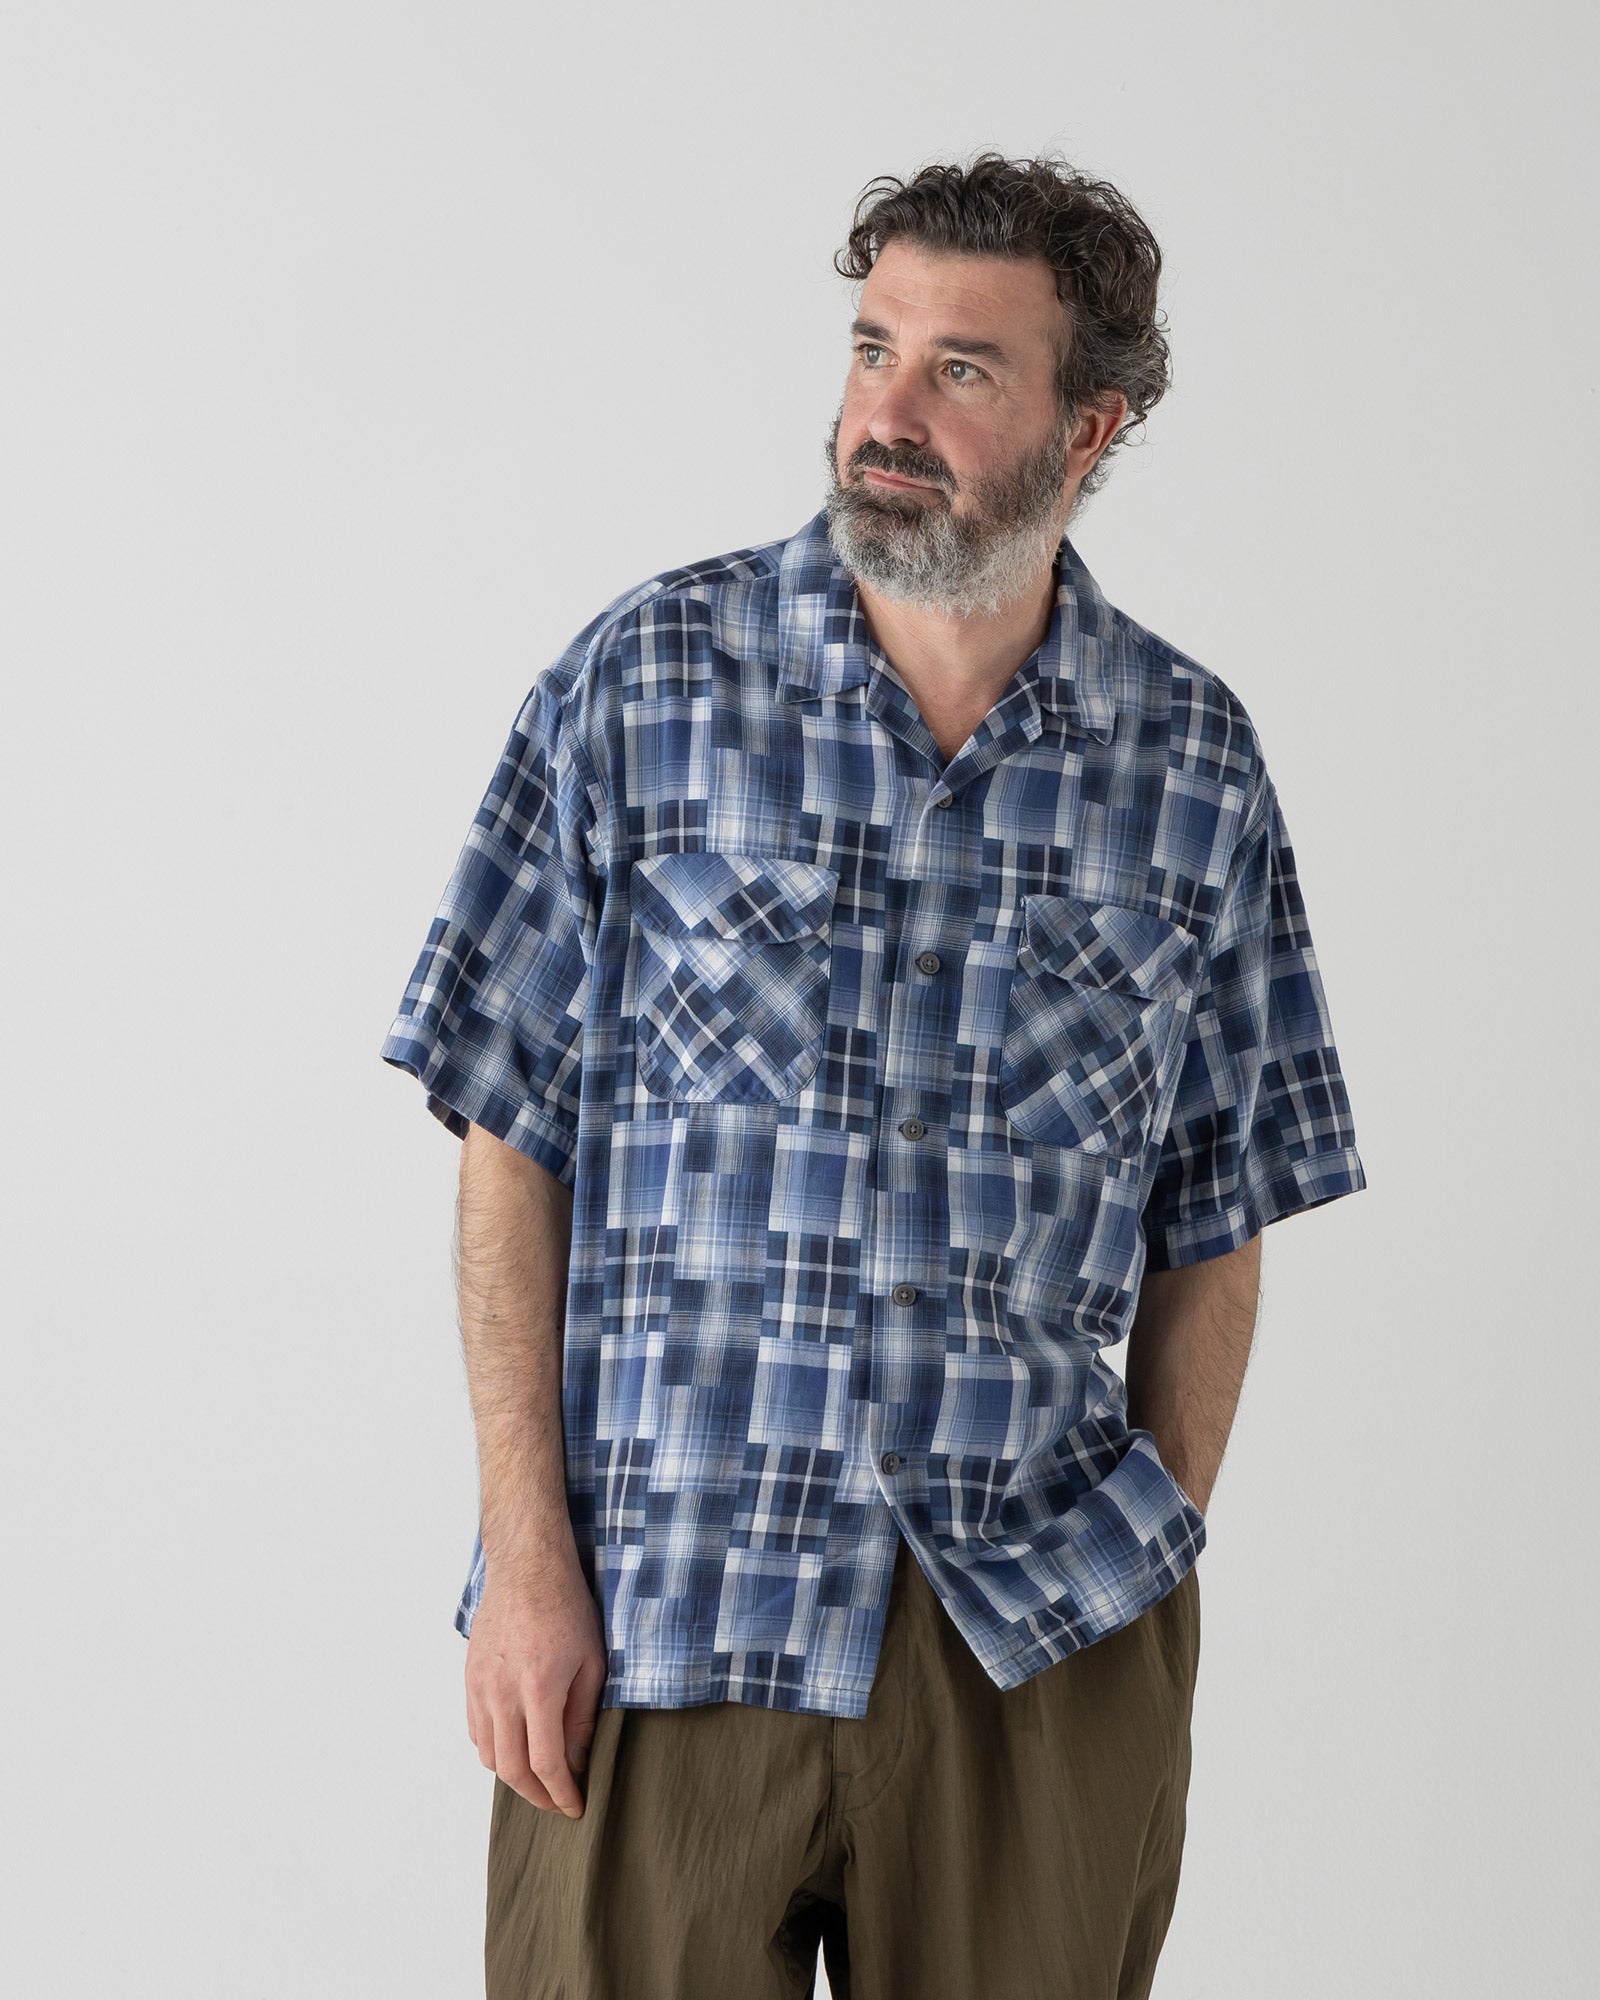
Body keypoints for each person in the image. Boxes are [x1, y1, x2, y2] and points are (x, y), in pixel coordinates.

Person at [380, 151, 1367, 2000]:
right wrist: (525, 1560)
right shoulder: (643, 685)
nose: (885, 413)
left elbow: (1223, 1209)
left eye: (960, 369)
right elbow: (508, 1136)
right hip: (665, 1610)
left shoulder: (1193, 766)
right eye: (871, 349)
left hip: (1032, 1645)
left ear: (1091, 427)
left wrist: (1145, 1556)